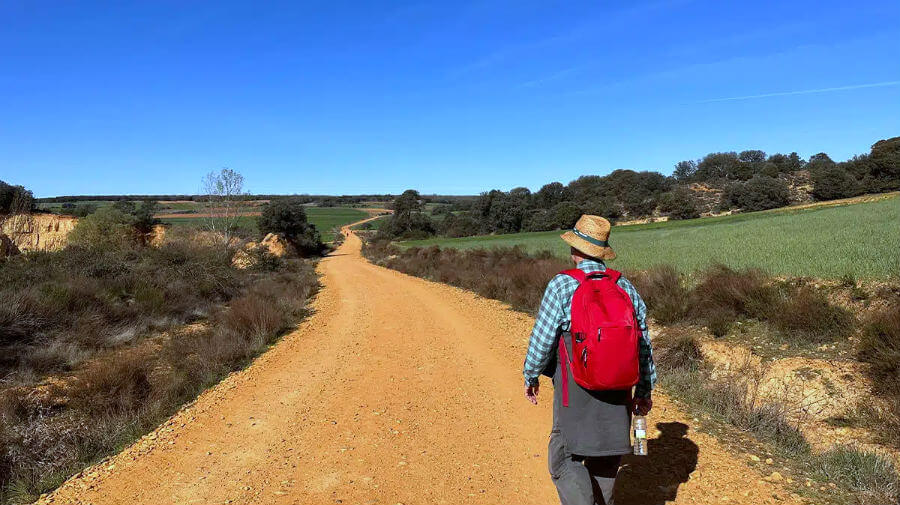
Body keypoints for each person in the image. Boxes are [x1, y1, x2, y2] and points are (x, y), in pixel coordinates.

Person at [523, 214, 656, 505]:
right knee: (607, 460)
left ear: (575, 250)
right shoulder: (625, 287)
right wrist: (644, 391)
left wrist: (531, 376)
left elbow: (542, 339)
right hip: (619, 391)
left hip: (576, 389)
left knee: (563, 458)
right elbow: (644, 345)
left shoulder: (561, 285)